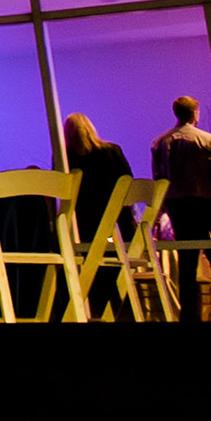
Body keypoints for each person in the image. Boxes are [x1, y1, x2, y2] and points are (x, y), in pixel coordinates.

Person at [152, 96, 211, 322]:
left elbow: (159, 180)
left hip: (180, 209)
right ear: (195, 113)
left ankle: (189, 316)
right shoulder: (208, 140)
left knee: (187, 266)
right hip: (208, 207)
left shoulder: (161, 142)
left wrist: (161, 211)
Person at [62, 113, 135, 316]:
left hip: (84, 229)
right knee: (116, 273)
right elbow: (128, 183)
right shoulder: (112, 152)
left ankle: (93, 311)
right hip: (119, 227)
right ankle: (122, 312)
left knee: (90, 274)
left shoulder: (65, 157)